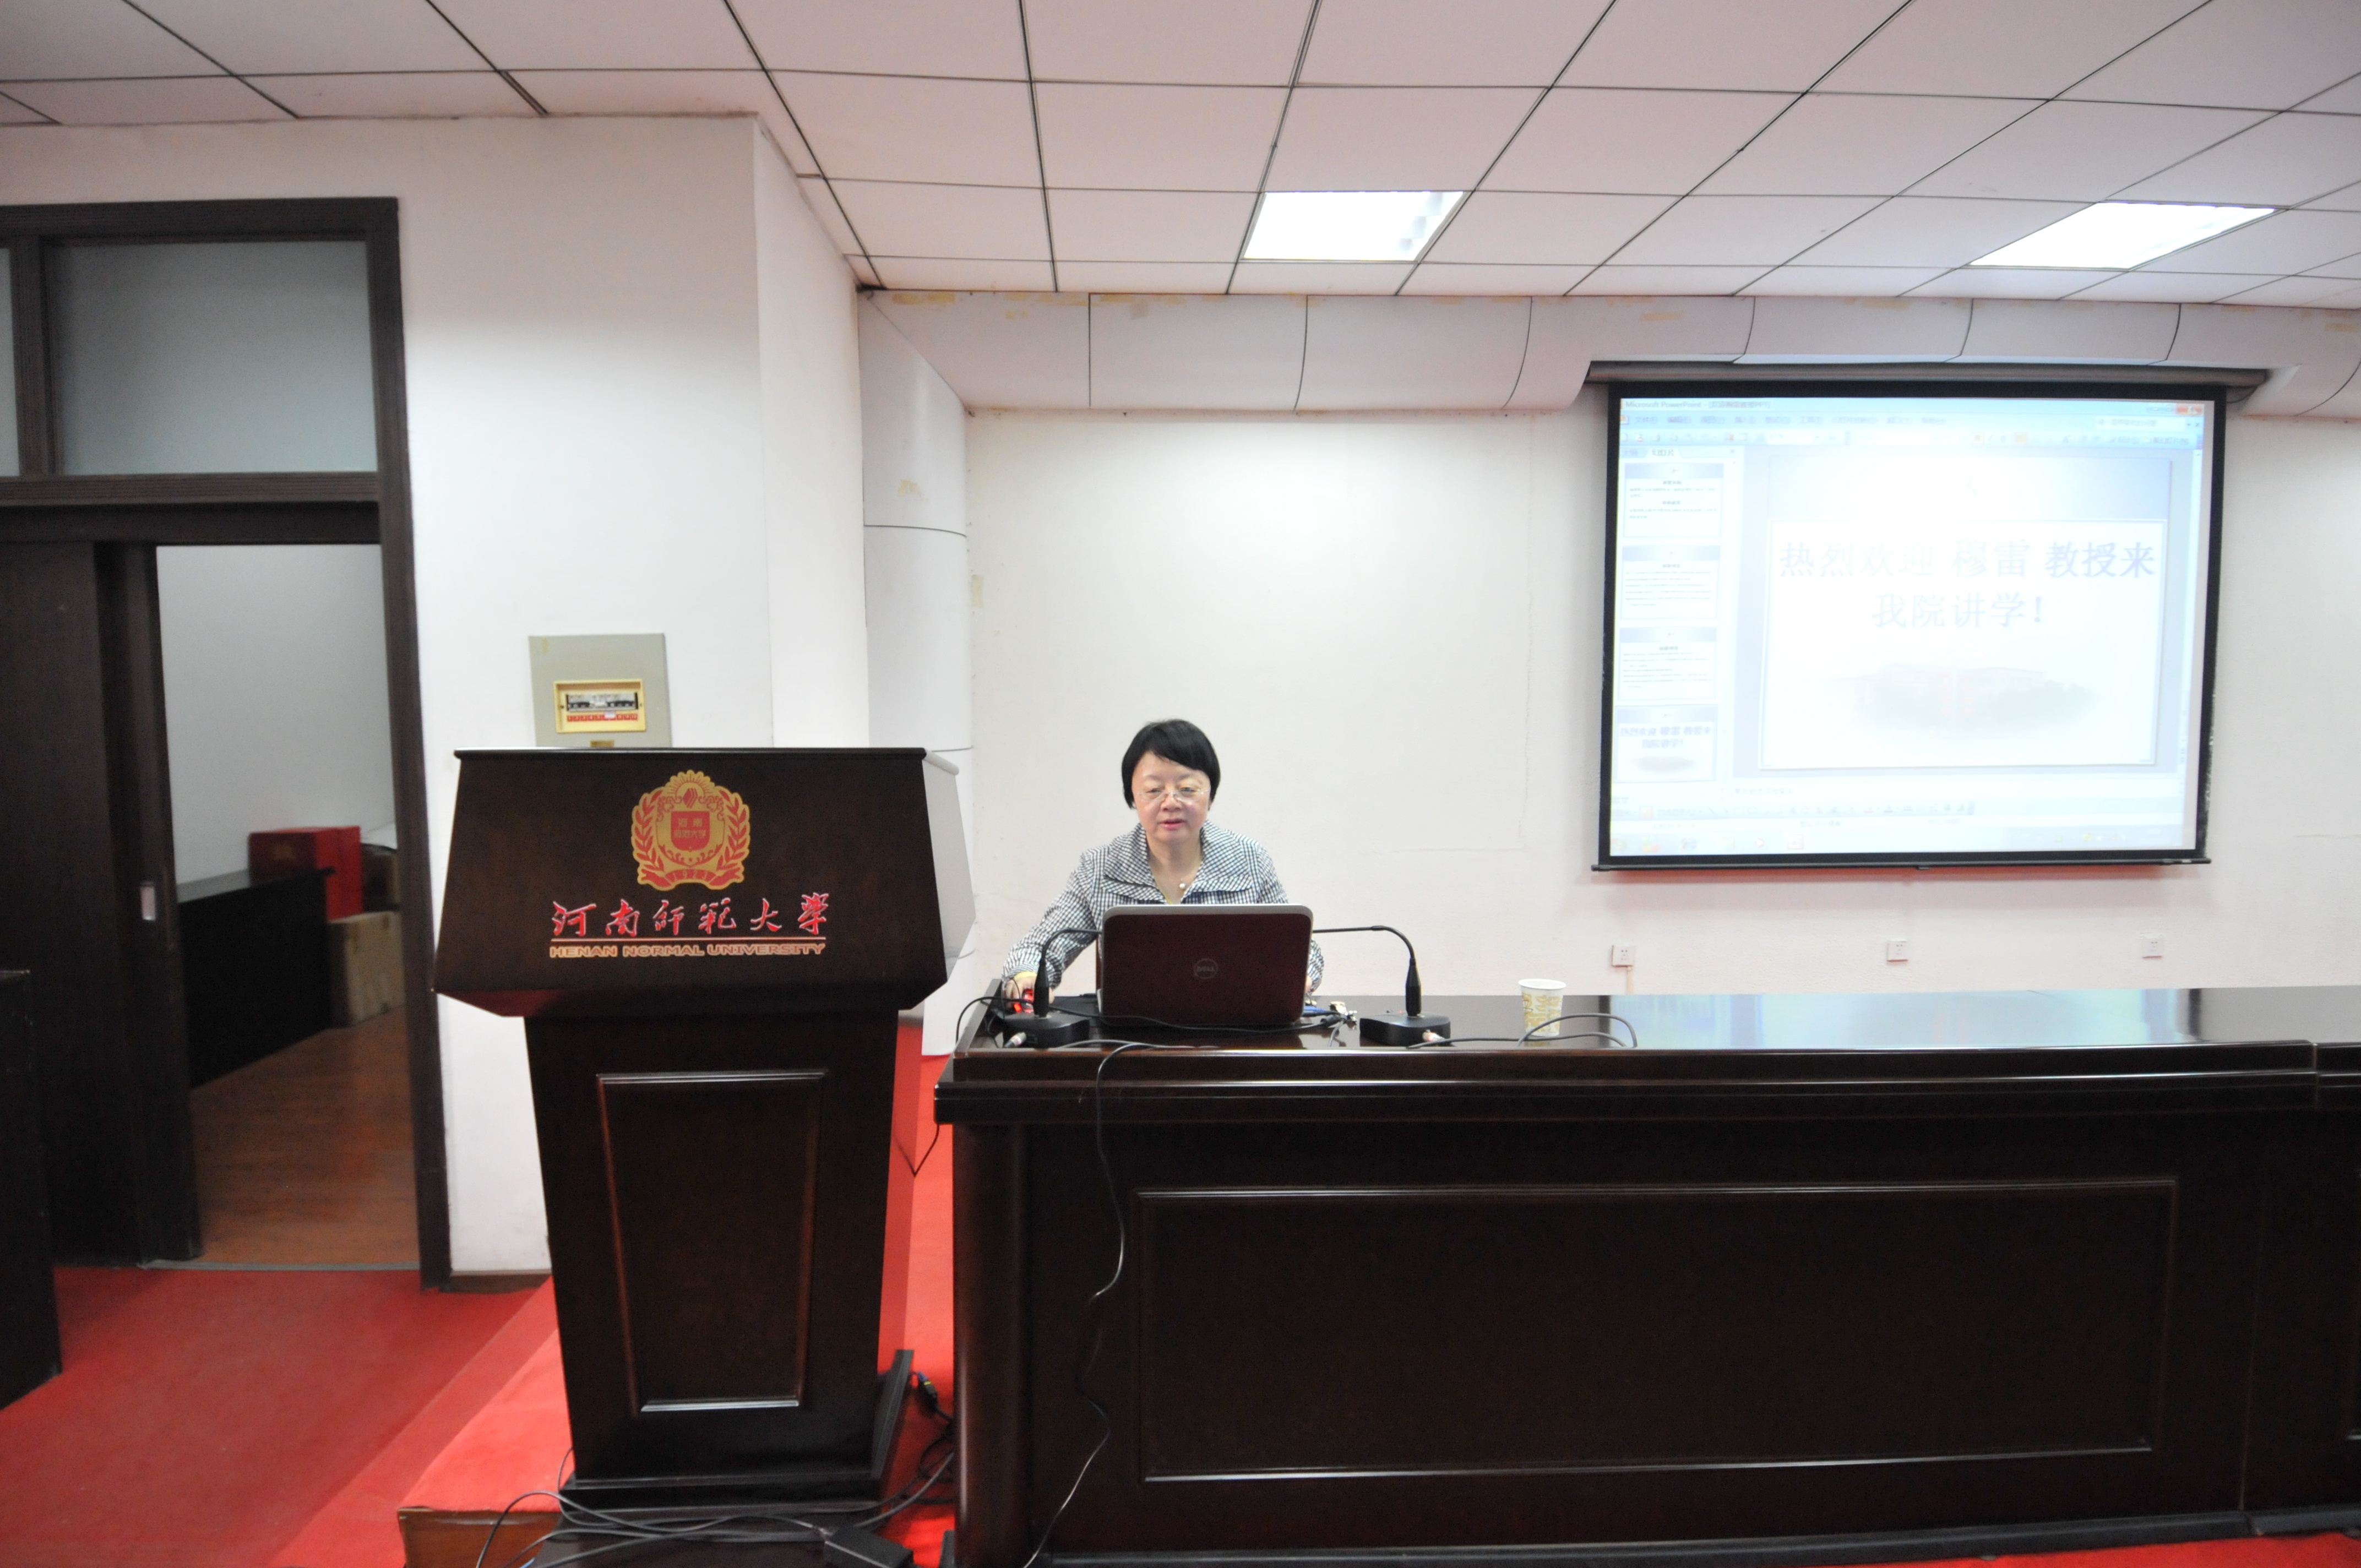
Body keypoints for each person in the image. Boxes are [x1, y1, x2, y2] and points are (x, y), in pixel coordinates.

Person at [1002, 718, 1322, 999]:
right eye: (1154, 790)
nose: (1171, 802)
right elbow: (1039, 947)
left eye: (1187, 789)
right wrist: (1028, 977)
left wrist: (1298, 978)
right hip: (1132, 1036)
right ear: (1133, 796)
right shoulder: (1101, 867)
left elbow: (1301, 949)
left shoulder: (1249, 860)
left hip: (1232, 1027)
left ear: (1210, 794)